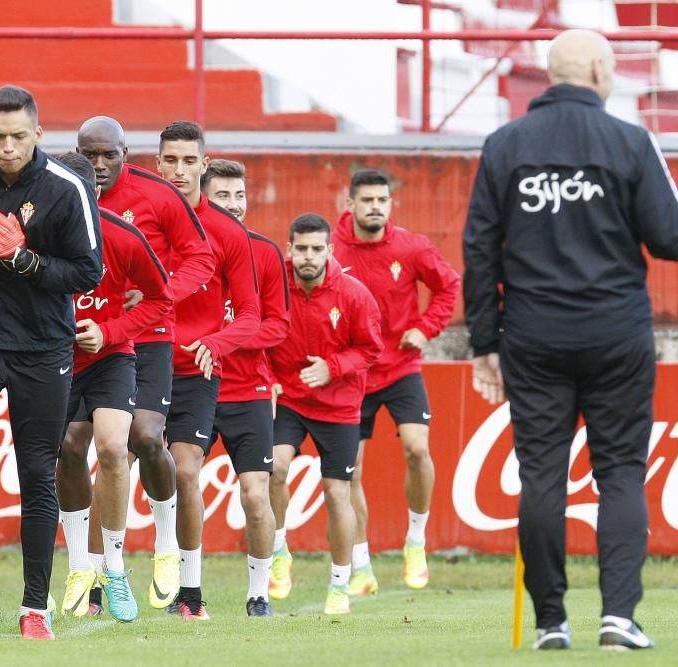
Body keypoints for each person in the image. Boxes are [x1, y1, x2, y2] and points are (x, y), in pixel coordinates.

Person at [463, 29, 678, 651]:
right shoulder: (631, 141)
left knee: (541, 477)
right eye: (610, 66)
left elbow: (480, 248)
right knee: (619, 472)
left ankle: (551, 622)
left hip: (533, 335)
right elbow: (668, 238)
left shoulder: (505, 145)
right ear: (593, 68)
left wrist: (484, 339)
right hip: (617, 332)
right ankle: (618, 618)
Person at [0, 85, 102, 641]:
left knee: (39, 473)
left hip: (45, 346)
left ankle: (34, 607)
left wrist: (24, 260)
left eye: (18, 136)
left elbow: (88, 273)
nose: (7, 147)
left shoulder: (68, 188)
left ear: (39, 134)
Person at [72, 116, 214, 613]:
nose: (98, 165)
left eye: (108, 154)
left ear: (125, 153)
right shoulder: (66, 193)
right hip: (81, 340)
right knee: (78, 448)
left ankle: (167, 543)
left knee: (146, 437)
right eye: (89, 154)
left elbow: (202, 258)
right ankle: (88, 574)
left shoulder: (156, 196)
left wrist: (161, 290)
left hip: (147, 334)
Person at [325, 169, 459, 597]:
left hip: (401, 366)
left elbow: (448, 286)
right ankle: (361, 564)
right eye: (367, 201)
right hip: (354, 373)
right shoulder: (331, 249)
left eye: (382, 200)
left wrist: (426, 327)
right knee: (352, 471)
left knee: (418, 449)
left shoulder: (412, 246)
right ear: (350, 205)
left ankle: (416, 541)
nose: (376, 208)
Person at [52, 152, 174, 623]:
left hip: (111, 357)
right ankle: (80, 566)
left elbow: (161, 299)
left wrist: (111, 330)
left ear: (95, 195)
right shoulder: (38, 238)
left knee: (112, 446)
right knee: (64, 448)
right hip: (56, 359)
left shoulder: (124, 236)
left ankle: (115, 568)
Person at [157, 124, 260, 620]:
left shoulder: (227, 232)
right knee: (111, 456)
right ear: (156, 163)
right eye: (169, 160)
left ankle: (190, 591)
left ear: (203, 164)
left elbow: (252, 315)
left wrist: (215, 343)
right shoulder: (141, 219)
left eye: (187, 161)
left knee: (185, 470)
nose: (178, 170)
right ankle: (96, 581)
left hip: (197, 371)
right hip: (138, 361)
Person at [269, 213, 382, 616]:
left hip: (340, 406)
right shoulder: (274, 285)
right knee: (275, 469)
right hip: (290, 401)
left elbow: (370, 349)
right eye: (301, 249)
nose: (309, 257)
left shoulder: (353, 294)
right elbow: (257, 331)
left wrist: (331, 368)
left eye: (317, 249)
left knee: (337, 493)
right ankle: (279, 550)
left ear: (330, 251)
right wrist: (269, 377)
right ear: (290, 249)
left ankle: (340, 584)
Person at [202, 159, 289, 616]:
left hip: (249, 392)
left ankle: (258, 592)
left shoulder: (267, 253)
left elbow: (278, 326)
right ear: (203, 197)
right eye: (223, 196)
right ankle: (183, 586)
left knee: (257, 493)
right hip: (194, 387)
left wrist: (224, 338)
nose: (234, 205)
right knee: (175, 484)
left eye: (239, 196)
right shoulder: (186, 251)